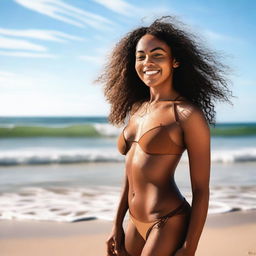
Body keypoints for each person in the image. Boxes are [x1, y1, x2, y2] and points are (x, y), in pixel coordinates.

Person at [97, 16, 232, 256]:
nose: (147, 62)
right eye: (141, 56)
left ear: (175, 61)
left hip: (167, 220)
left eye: (157, 54)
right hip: (134, 222)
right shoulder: (137, 109)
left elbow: (201, 189)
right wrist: (116, 223)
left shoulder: (186, 114)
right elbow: (130, 173)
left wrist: (190, 247)